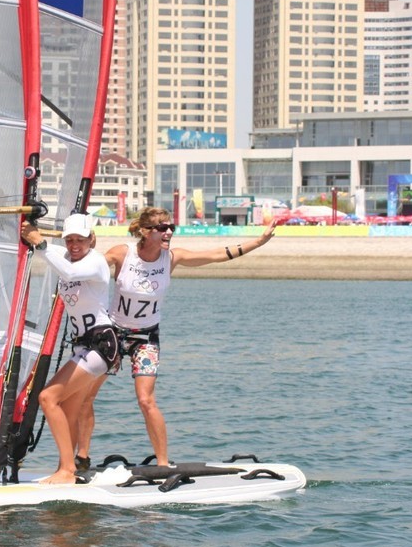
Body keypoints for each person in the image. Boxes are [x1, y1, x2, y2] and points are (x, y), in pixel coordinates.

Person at [75, 207, 276, 469]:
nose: (169, 232)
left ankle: (163, 463)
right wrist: (82, 245)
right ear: (146, 232)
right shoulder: (123, 253)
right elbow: (87, 268)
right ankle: (81, 457)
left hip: (145, 338)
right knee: (85, 396)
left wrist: (259, 242)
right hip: (112, 335)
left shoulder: (171, 258)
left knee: (146, 400)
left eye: (172, 227)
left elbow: (217, 255)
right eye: (162, 228)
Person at [20, 214, 118, 484]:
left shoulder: (96, 262)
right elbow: (53, 256)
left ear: (92, 239)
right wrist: (27, 233)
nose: (75, 245)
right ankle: (68, 465)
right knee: (69, 408)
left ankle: (67, 471)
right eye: (70, 240)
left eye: (81, 240)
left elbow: (70, 272)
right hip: (83, 346)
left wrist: (39, 242)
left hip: (101, 343)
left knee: (48, 398)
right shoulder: (64, 258)